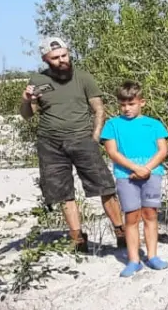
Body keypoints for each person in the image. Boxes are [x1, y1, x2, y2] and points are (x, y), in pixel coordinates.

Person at [20, 37, 124, 255]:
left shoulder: (83, 77)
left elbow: (98, 108)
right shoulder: (37, 80)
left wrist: (95, 136)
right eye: (55, 58)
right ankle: (78, 238)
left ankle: (120, 231)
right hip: (50, 143)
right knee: (63, 193)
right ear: (45, 59)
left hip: (82, 140)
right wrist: (26, 100)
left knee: (104, 186)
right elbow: (28, 115)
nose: (61, 60)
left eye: (64, 55)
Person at [99, 81, 168, 277]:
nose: (126, 108)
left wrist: (146, 168)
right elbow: (112, 152)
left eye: (131, 104)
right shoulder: (112, 125)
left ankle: (153, 256)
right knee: (131, 217)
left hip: (152, 174)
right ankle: (133, 260)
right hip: (126, 176)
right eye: (122, 104)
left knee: (150, 214)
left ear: (142, 102)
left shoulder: (154, 124)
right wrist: (134, 168)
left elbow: (163, 150)